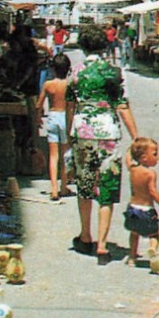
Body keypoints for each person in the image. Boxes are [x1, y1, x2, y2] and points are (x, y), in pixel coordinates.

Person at [65, 35, 138, 265]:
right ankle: (103, 245)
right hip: (108, 133)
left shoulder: (75, 71)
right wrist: (136, 136)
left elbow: (70, 105)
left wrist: (70, 133)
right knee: (107, 186)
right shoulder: (115, 72)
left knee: (85, 185)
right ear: (105, 47)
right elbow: (122, 105)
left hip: (83, 132)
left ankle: (86, 236)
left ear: (84, 47)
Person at [124, 136, 159, 273]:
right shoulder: (150, 174)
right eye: (154, 154)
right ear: (144, 157)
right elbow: (152, 191)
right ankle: (153, 249)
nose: (158, 157)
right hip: (147, 209)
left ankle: (132, 257)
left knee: (134, 233)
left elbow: (127, 159)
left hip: (132, 208)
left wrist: (130, 148)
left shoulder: (132, 169)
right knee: (154, 234)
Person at [35, 53, 72, 201]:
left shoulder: (48, 85)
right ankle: (64, 186)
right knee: (65, 155)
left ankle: (54, 189)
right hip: (65, 117)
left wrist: (38, 118)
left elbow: (38, 104)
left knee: (53, 155)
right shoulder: (69, 85)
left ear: (53, 69)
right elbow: (71, 106)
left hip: (52, 116)